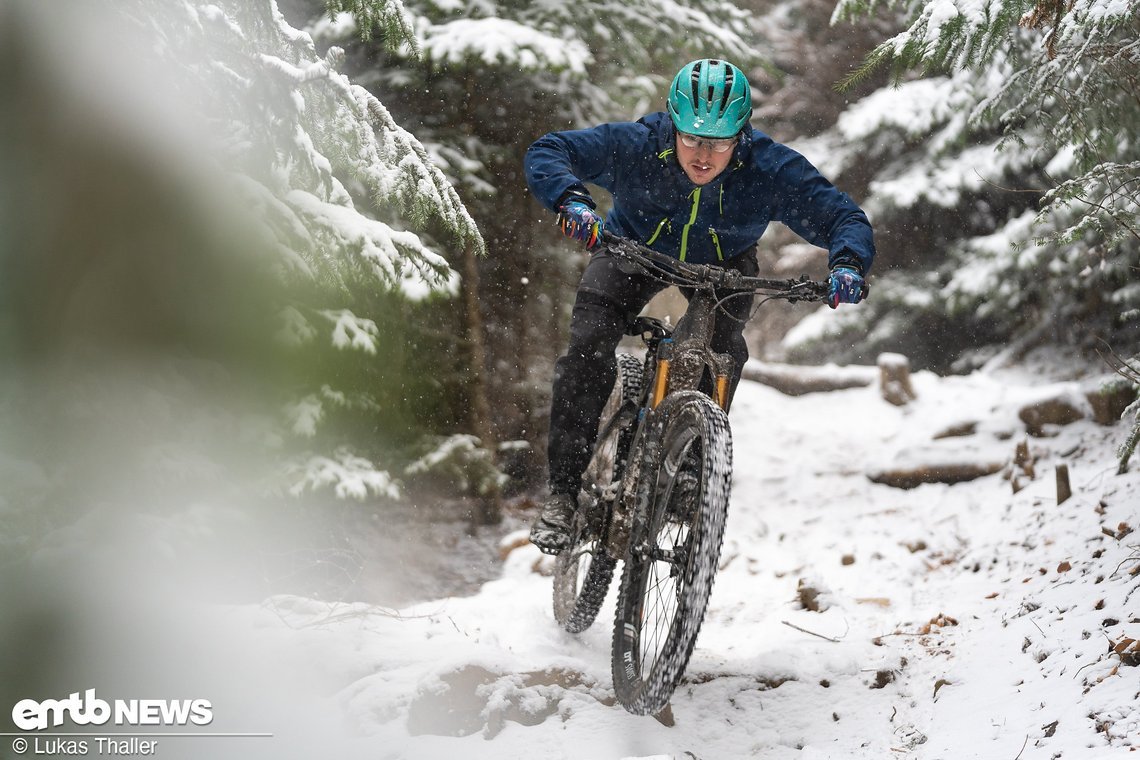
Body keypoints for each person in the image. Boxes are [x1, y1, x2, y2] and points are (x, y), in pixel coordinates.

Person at [523, 58, 875, 554]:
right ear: (673, 124)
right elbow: (550, 150)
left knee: (725, 350)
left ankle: (691, 471)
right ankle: (562, 494)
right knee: (587, 347)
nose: (704, 155)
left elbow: (842, 216)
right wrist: (571, 201)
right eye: (691, 138)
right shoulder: (639, 145)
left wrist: (848, 265)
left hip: (722, 266)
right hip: (632, 250)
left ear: (742, 135)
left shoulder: (769, 168)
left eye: (719, 142)